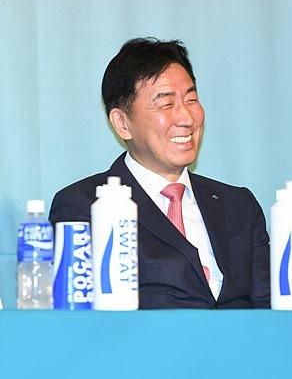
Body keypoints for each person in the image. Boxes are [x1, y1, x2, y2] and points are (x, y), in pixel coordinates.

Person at [50, 38, 270, 309]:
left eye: (191, 99)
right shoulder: (84, 206)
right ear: (122, 123)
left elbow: (271, 309)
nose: (187, 118)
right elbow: (80, 319)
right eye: (166, 104)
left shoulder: (239, 205)